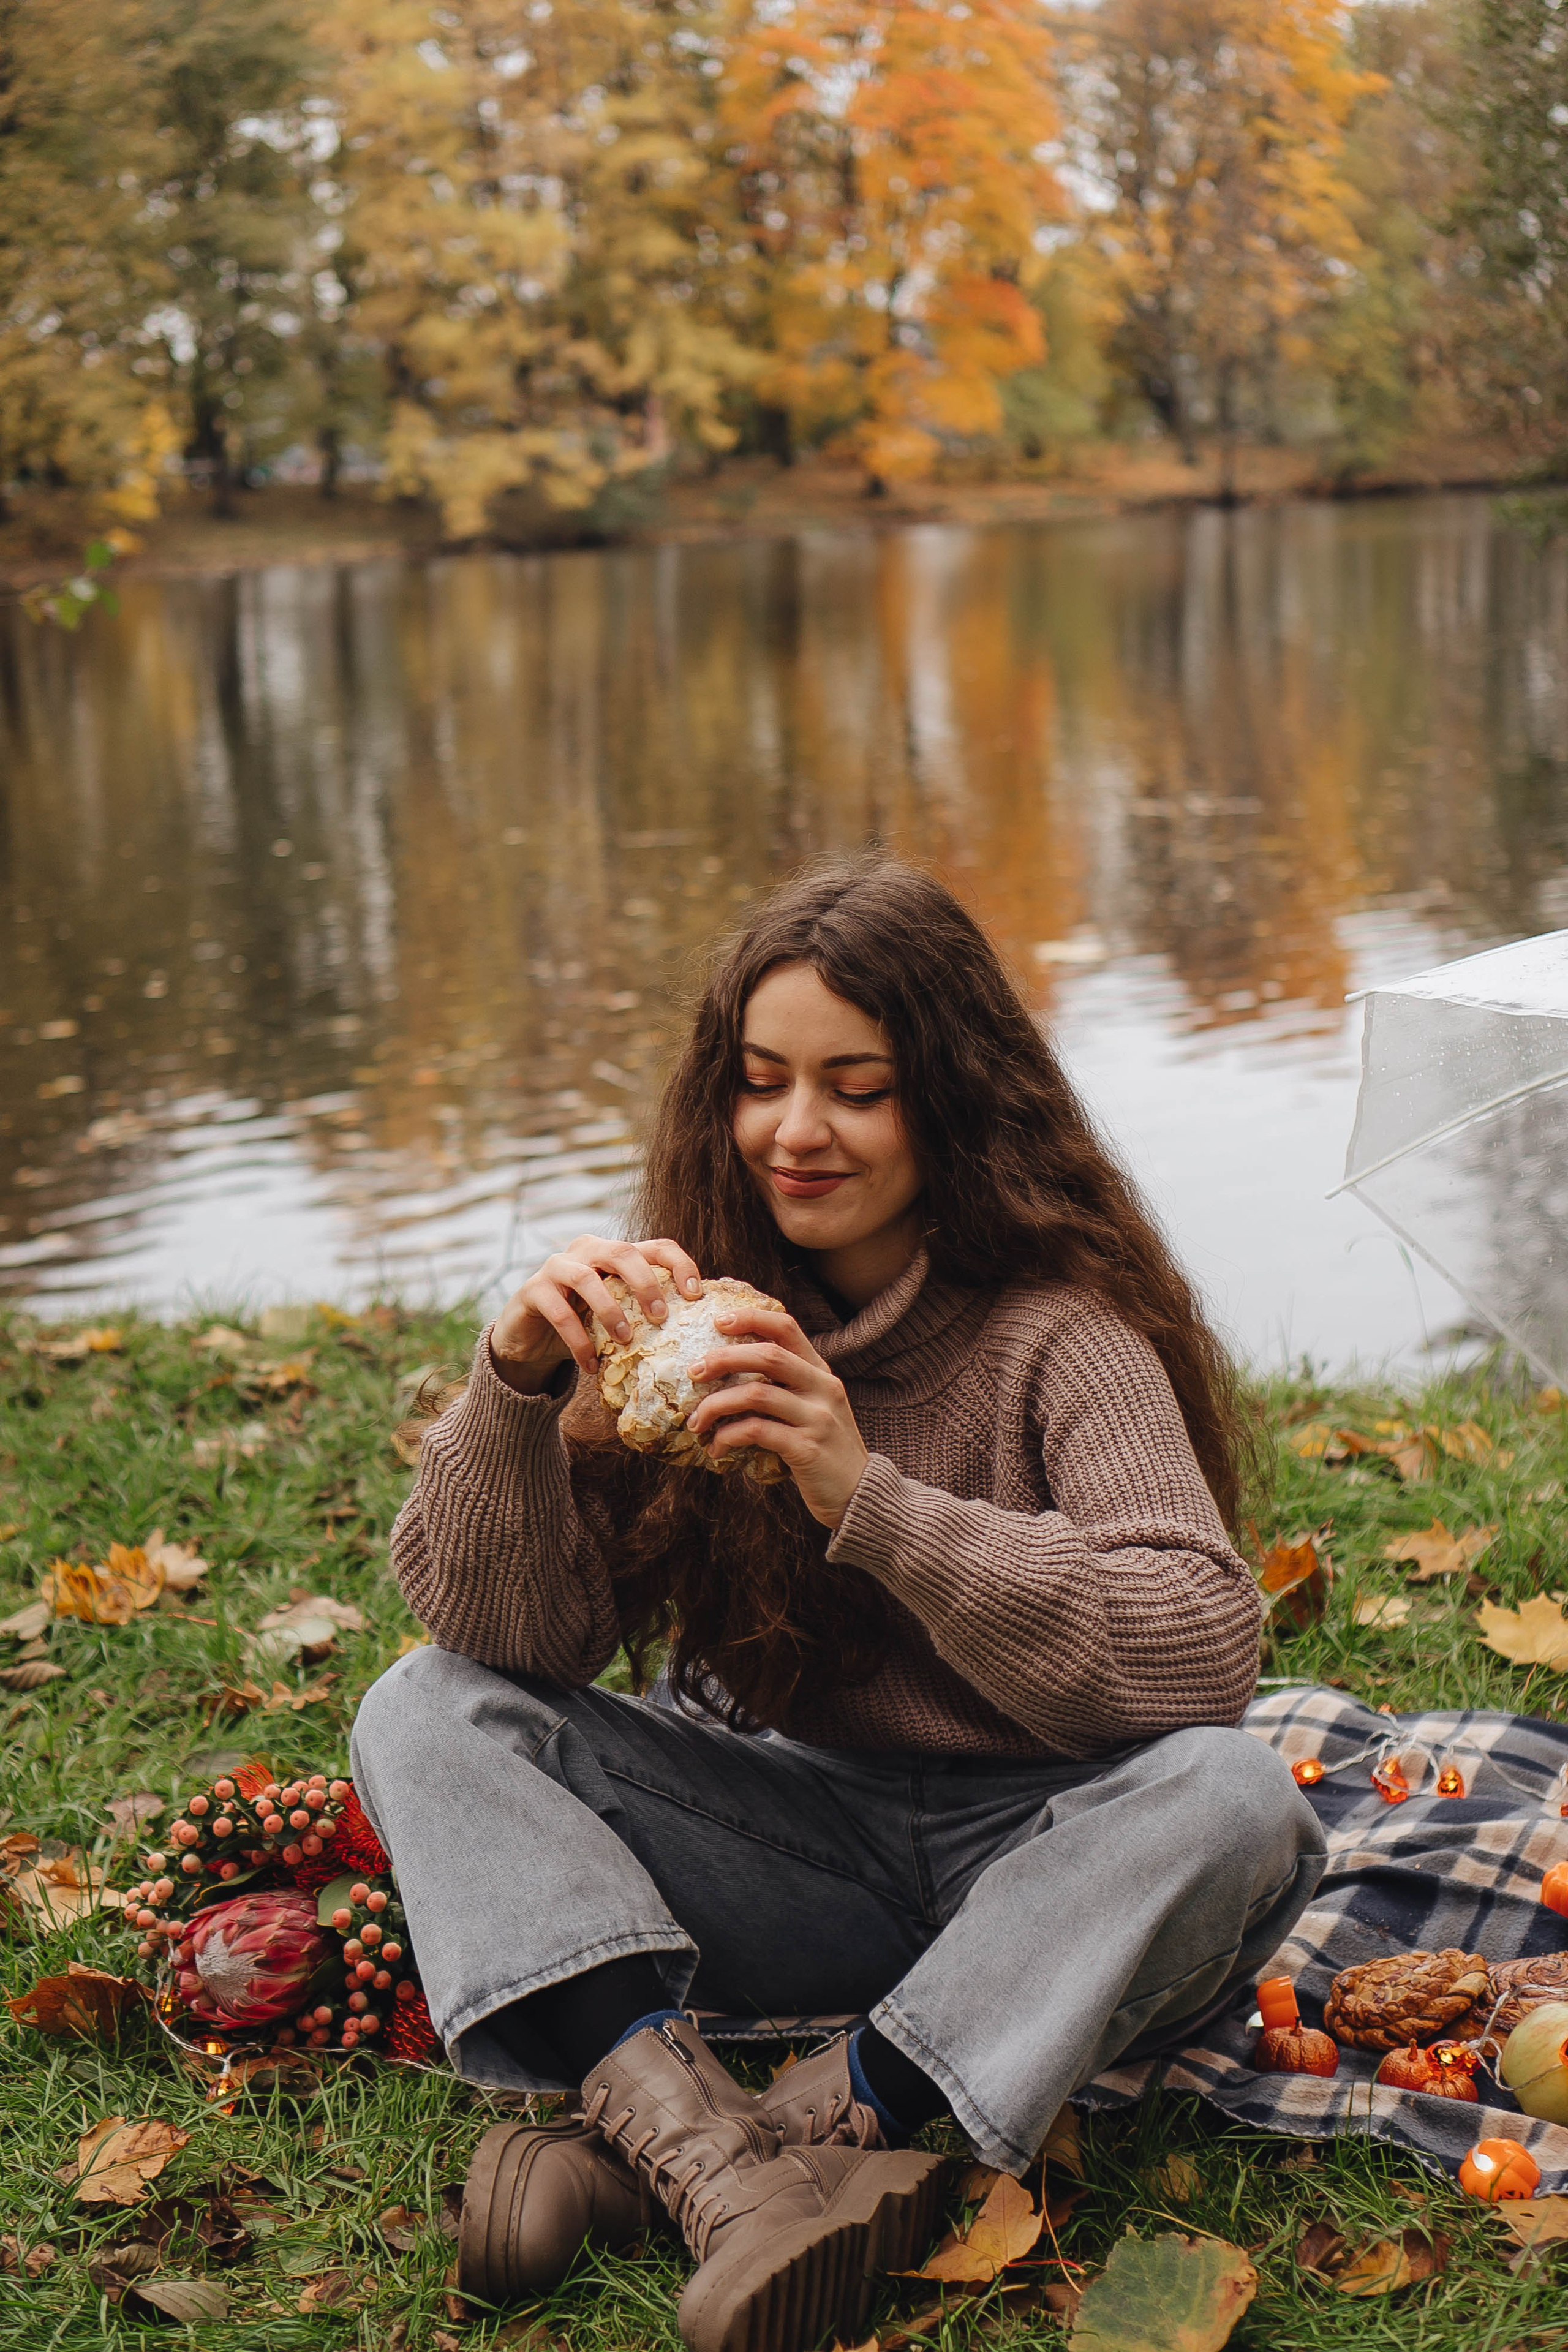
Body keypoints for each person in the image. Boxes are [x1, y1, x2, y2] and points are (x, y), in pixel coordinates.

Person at [351, 857, 1325, 2352]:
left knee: (1238, 1801)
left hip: (1054, 1868)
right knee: (423, 1706)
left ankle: (824, 2116)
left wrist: (865, 1496)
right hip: (798, 1851)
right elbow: (515, 1649)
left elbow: (1196, 1650)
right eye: (760, 1083)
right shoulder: (686, 1317)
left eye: (854, 1088)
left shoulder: (1061, 1336)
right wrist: (520, 1403)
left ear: (947, 1099)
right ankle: (710, 2154)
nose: (794, 1133)